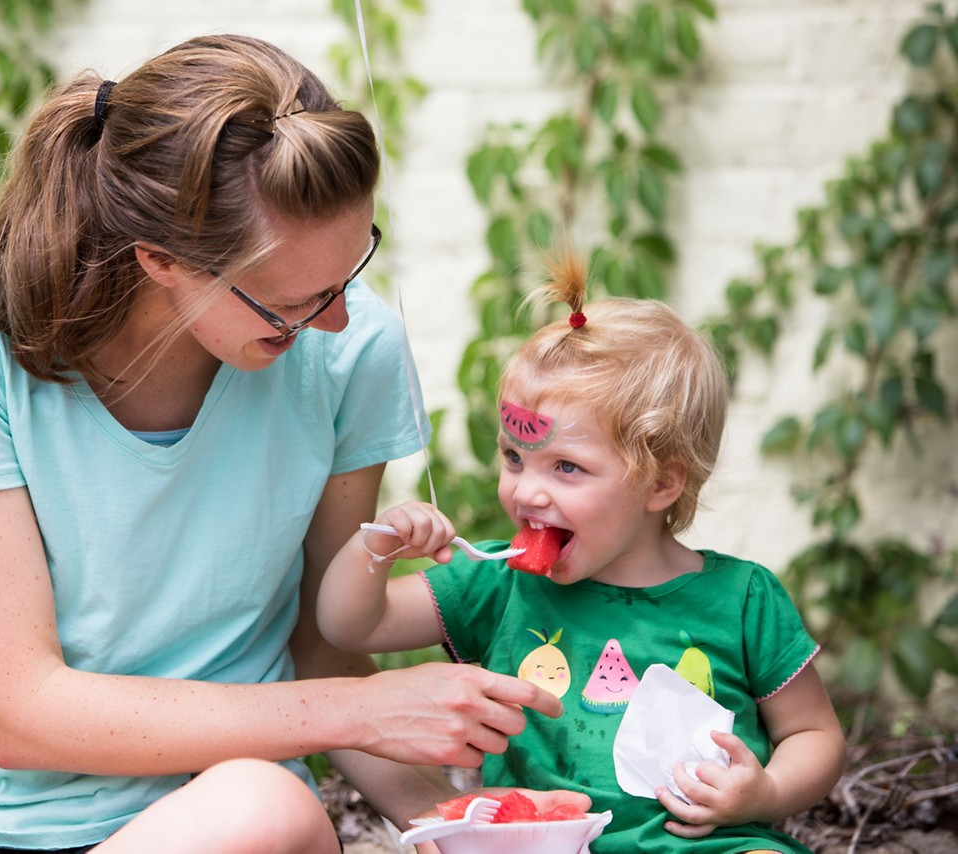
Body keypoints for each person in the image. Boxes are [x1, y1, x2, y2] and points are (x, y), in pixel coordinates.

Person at [0, 33, 571, 854]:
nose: (336, 320)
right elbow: (20, 714)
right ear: (162, 261)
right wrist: (363, 710)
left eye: (351, 271)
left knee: (268, 809)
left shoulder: (353, 346)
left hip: (207, 823)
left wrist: (466, 827)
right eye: (293, 303)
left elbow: (321, 645)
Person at [316, 248, 847, 853]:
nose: (527, 490)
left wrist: (768, 792)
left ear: (662, 483)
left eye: (566, 467)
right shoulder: (500, 582)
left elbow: (814, 734)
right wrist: (378, 545)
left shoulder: (743, 598)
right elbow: (347, 626)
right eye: (514, 458)